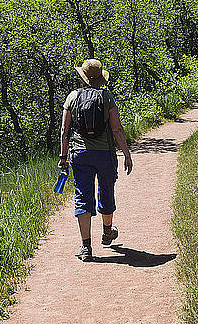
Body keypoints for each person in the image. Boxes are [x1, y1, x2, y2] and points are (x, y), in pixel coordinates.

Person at [59, 58, 133, 262]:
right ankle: (108, 232)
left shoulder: (72, 97)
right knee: (106, 190)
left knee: (83, 197)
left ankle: (86, 248)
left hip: (80, 154)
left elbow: (65, 131)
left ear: (82, 77)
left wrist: (63, 156)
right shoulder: (107, 97)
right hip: (104, 154)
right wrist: (126, 153)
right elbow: (117, 129)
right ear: (100, 78)